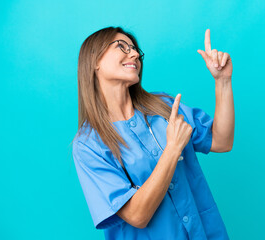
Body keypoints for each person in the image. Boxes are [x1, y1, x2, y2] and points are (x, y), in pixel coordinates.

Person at [72, 26, 235, 240]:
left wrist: (222, 81)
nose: (134, 54)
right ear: (94, 61)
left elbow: (222, 141)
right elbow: (137, 215)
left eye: (135, 49)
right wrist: (173, 148)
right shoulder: (88, 145)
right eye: (122, 46)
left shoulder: (163, 107)